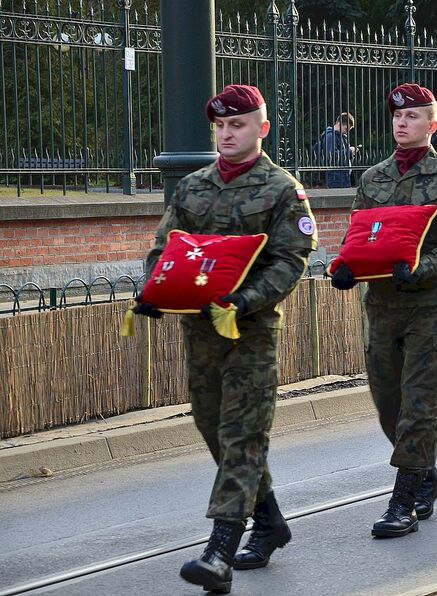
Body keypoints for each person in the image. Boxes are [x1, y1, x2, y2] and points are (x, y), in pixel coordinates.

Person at [134, 85, 317, 592]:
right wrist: (152, 289)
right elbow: (166, 248)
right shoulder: (192, 187)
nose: (226, 134)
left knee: (243, 436)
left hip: (250, 334)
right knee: (215, 429)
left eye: (236, 125)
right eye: (219, 126)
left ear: (262, 128)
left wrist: (246, 300)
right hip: (200, 333)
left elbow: (291, 259)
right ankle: (271, 521)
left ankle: (220, 550)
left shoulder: (282, 188)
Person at [330, 84, 437, 537]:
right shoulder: (373, 179)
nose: (401, 122)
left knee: (418, 406)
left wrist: (420, 267)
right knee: (387, 406)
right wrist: (346, 268)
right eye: (396, 116)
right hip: (381, 308)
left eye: (412, 117)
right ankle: (426, 472)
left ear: (432, 125)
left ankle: (404, 501)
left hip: (427, 308)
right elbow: (359, 236)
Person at [316, 112, 356, 188]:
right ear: (339, 123)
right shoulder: (330, 136)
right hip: (335, 177)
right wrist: (349, 152)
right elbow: (331, 157)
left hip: (343, 175)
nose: (347, 132)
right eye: (346, 129)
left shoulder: (342, 137)